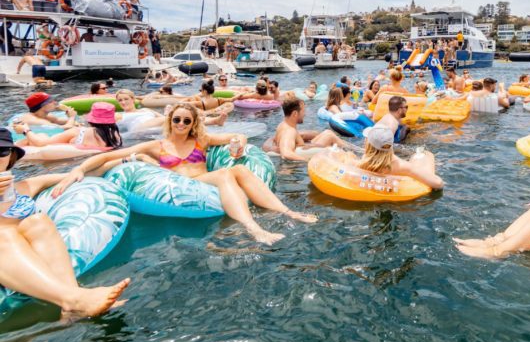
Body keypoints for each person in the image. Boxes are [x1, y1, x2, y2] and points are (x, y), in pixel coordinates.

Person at [54, 103, 316, 244]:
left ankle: (288, 212)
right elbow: (107, 157)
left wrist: (238, 142)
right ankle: (253, 228)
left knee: (237, 168)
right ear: (171, 122)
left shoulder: (202, 140)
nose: (181, 124)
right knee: (226, 174)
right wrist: (78, 169)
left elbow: (234, 135)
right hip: (180, 185)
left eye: (186, 121)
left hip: (203, 180)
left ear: (193, 124)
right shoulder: (158, 146)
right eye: (177, 120)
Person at [0, 127, 130, 316]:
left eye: (2, 151)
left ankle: (72, 304)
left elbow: (82, 176)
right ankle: (74, 299)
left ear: (11, 155)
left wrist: (129, 158)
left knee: (38, 221)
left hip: (23, 247)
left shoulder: (25, 186)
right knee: (5, 233)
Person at [351, 126, 443, 190]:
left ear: (368, 144)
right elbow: (438, 183)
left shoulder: (362, 163)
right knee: (424, 154)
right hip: (400, 175)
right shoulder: (403, 167)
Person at [262, 96, 346, 161]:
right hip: (303, 156)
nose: (305, 114)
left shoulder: (282, 125)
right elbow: (286, 153)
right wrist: (307, 161)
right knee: (330, 136)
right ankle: (352, 152)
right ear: (295, 113)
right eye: (303, 111)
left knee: (328, 133)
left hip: (303, 147)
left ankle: (351, 149)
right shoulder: (289, 131)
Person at [15, 102, 123, 152]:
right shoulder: (115, 134)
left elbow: (41, 144)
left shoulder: (78, 131)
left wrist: (26, 130)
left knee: (36, 137)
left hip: (66, 163)